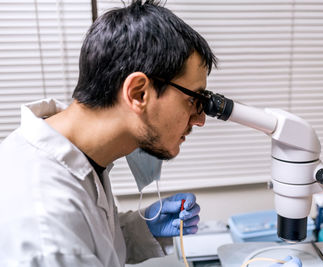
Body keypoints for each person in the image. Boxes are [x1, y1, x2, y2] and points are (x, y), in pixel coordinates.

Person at [0, 1, 301, 266]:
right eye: (193, 99)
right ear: (139, 92)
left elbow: (92, 241)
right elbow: (69, 242)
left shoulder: (76, 157)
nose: (200, 120)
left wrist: (139, 230)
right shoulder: (45, 223)